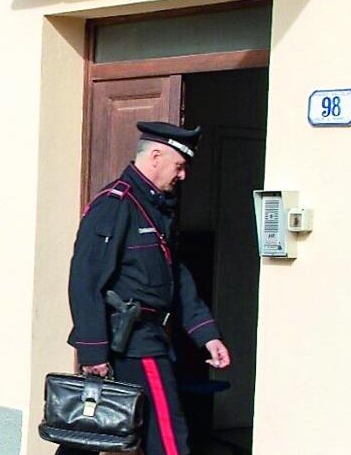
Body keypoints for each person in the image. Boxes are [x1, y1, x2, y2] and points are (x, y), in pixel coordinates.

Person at [62, 122, 231, 455]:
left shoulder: (156, 208)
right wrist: (93, 351)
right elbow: (85, 280)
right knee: (164, 430)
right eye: (179, 166)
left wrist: (206, 334)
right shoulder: (116, 204)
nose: (182, 176)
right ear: (156, 156)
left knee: (92, 429)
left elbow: (175, 276)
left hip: (146, 336)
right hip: (131, 339)